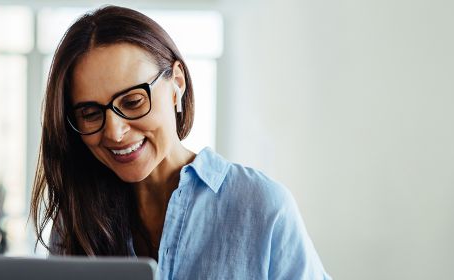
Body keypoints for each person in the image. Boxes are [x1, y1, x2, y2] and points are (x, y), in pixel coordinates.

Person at [30, 5, 331, 280]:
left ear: (177, 83)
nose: (114, 132)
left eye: (133, 101)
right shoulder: (77, 218)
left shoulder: (262, 206)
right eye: (91, 113)